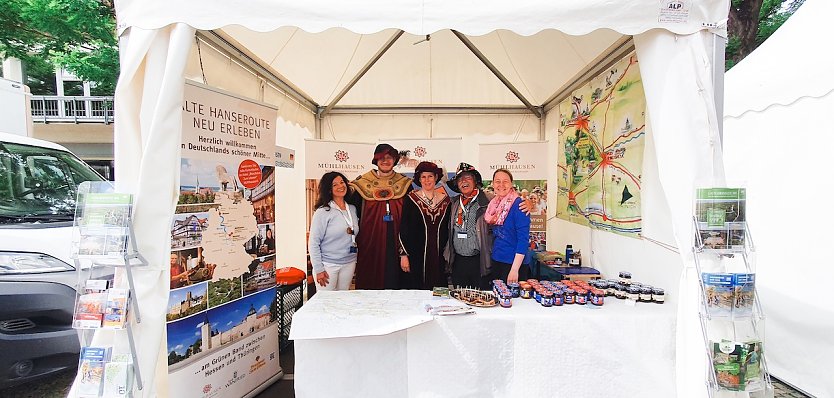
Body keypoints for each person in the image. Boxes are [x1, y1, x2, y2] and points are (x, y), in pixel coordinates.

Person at [347, 143, 412, 289]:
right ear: (375, 160)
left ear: (395, 160)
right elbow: (350, 213)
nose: (385, 161)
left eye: (389, 157)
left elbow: (411, 217)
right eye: (381, 157)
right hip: (370, 242)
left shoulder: (405, 184)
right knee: (370, 283)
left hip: (397, 241)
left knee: (396, 282)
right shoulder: (362, 184)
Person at [399, 161, 451, 289]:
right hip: (416, 257)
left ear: (436, 178)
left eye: (430, 176)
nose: (427, 180)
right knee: (417, 293)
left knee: (439, 293)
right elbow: (403, 228)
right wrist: (403, 255)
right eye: (423, 177)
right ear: (419, 179)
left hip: (439, 258)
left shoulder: (446, 201)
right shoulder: (411, 199)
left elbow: (449, 229)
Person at [444, 163, 493, 290]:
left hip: (479, 261)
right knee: (459, 299)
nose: (463, 181)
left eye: (468, 178)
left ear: (475, 181)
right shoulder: (453, 203)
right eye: (460, 179)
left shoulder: (489, 201)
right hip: (458, 262)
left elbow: (509, 203)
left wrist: (526, 203)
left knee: (480, 299)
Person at [308, 171, 360, 291]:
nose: (340, 186)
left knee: (342, 300)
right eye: (334, 184)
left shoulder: (352, 209)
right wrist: (319, 269)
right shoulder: (323, 212)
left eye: (342, 182)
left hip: (349, 263)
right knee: (326, 303)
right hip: (328, 265)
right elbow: (313, 243)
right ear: (329, 189)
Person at [487, 169, 531, 284]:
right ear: (492, 184)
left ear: (511, 184)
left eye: (505, 181)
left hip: (514, 264)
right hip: (497, 259)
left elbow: (523, 240)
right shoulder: (493, 204)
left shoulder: (519, 205)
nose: (501, 185)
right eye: (497, 181)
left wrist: (515, 269)